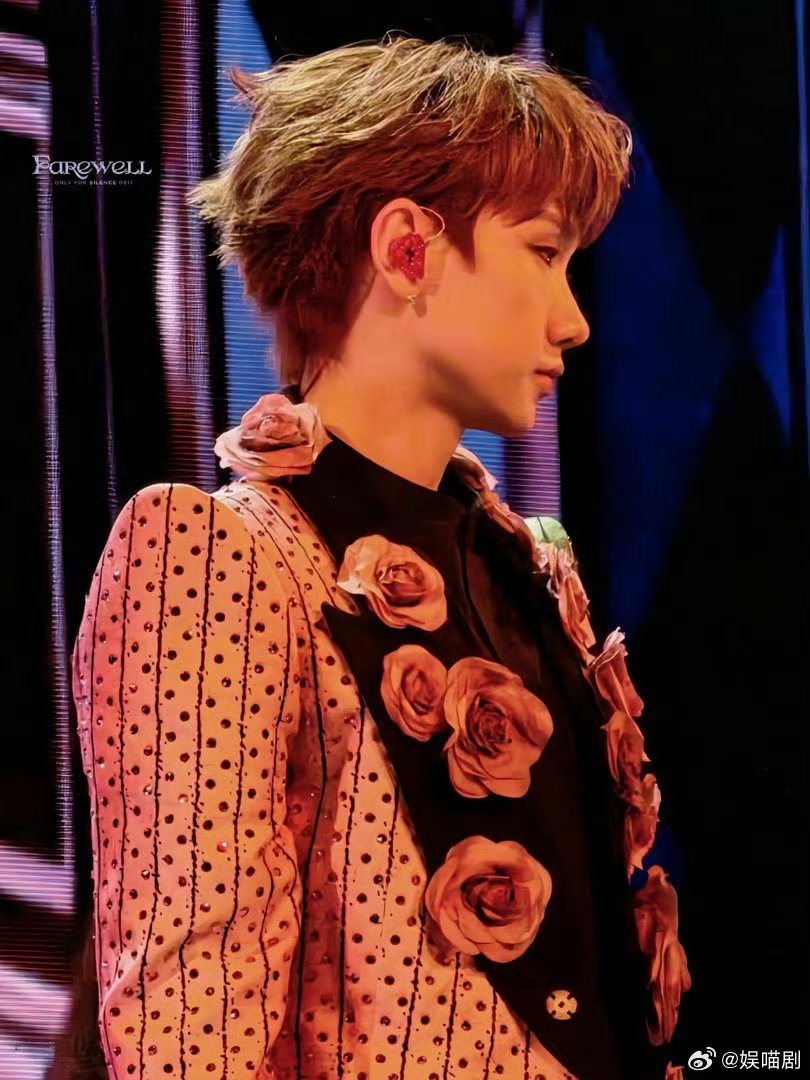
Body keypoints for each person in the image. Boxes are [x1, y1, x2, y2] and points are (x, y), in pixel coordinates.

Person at [69, 35, 691, 1080]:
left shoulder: (526, 562)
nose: (574, 320)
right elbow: (190, 1035)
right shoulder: (216, 555)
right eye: (543, 252)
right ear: (407, 250)